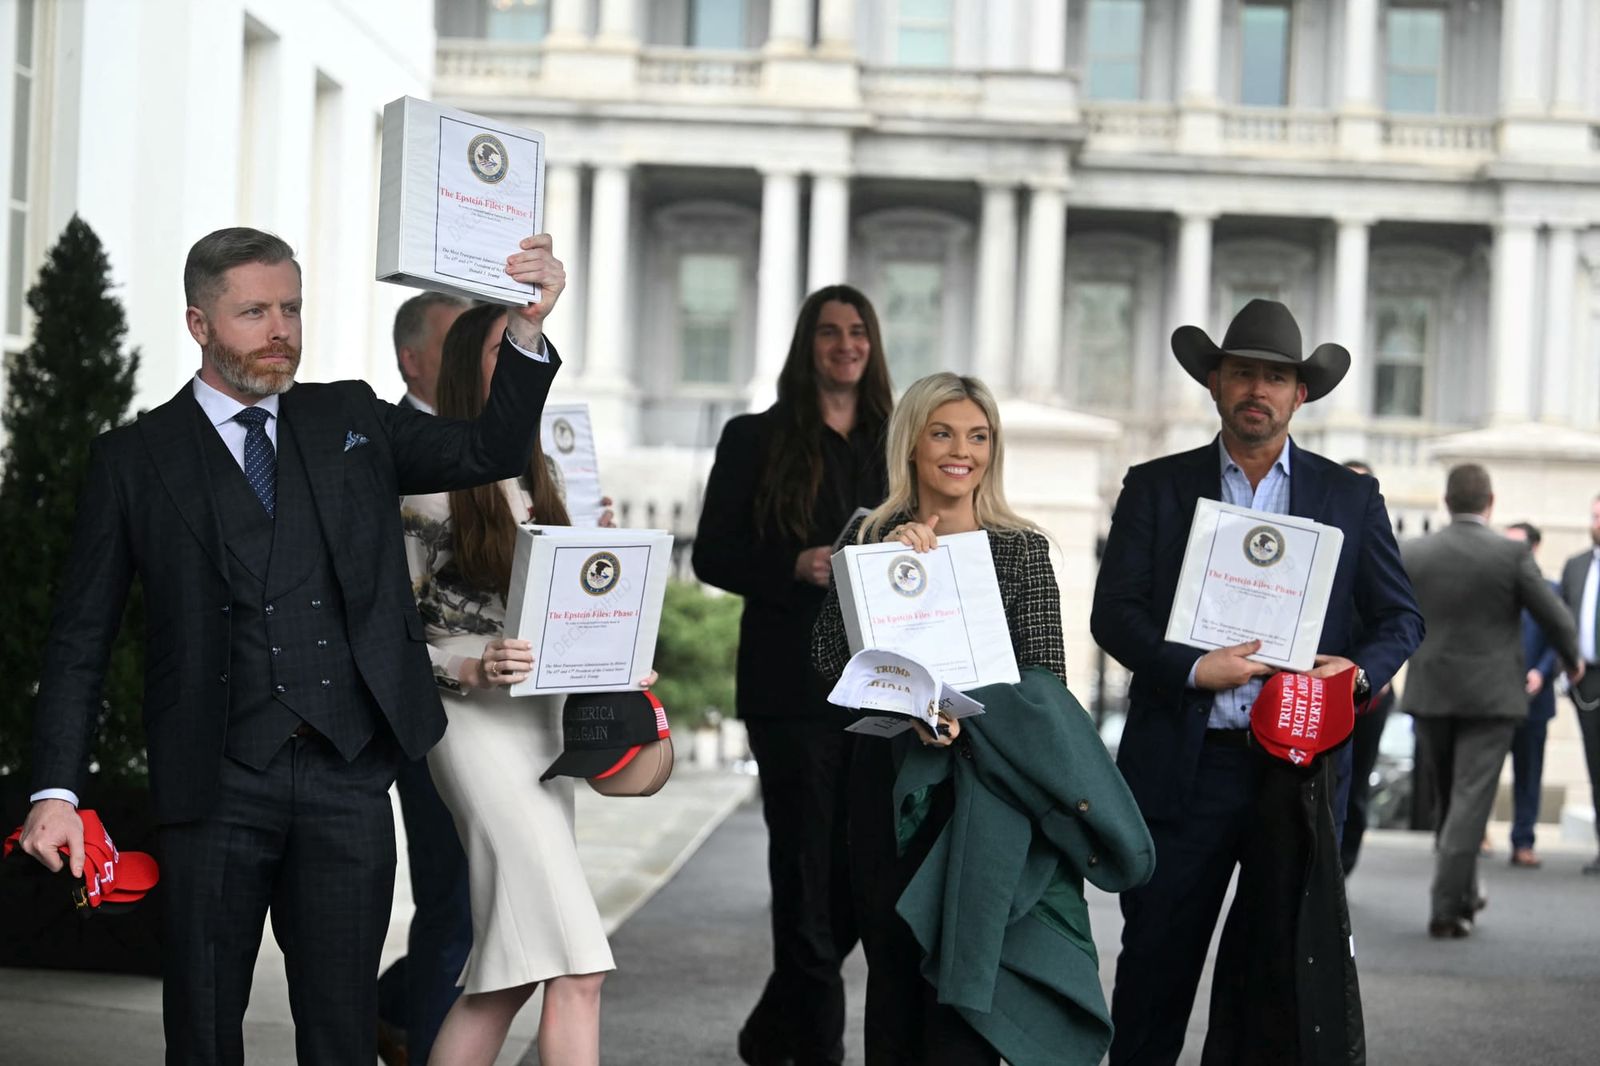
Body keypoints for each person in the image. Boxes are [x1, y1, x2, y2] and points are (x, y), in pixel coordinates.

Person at [17, 227, 564, 1064]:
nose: (281, 330)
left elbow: (488, 448)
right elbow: (79, 642)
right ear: (199, 323)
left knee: (342, 1034)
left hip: (348, 774)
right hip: (214, 781)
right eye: (255, 312)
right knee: (203, 1032)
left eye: (292, 309)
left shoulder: (350, 417)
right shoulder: (134, 459)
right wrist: (55, 791)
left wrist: (526, 328)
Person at [1093, 299, 1425, 1064]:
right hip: (1185, 768)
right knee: (1153, 970)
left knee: (1273, 984)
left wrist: (1357, 673)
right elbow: (1114, 615)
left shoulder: (1349, 497)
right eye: (1242, 373)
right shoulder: (1156, 486)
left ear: (1299, 395)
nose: (1257, 390)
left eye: (1275, 378)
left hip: (1295, 774)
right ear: (1215, 383)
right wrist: (1192, 667)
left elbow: (1400, 618)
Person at [814, 372, 1152, 1066]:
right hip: (891, 789)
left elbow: (1045, 684)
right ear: (912, 443)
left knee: (969, 1003)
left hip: (989, 793)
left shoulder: (1020, 547)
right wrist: (885, 568)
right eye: (942, 433)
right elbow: (825, 659)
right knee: (895, 985)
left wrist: (966, 714)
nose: (960, 451)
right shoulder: (868, 534)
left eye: (977, 436)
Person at [400, 302, 632, 1066]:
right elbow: (387, 638)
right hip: (469, 722)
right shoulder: (420, 483)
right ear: (470, 370)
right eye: (508, 349)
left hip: (540, 720)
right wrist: (466, 666)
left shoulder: (542, 472)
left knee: (510, 974)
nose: (526, 362)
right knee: (577, 968)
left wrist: (615, 642)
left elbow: (562, 611)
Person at [693, 285, 893, 1066]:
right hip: (791, 689)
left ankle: (775, 1027)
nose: (846, 345)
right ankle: (815, 1049)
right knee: (806, 871)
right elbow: (712, 554)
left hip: (879, 683)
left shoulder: (895, 440)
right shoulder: (755, 438)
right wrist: (795, 564)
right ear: (807, 345)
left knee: (857, 878)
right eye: (829, 332)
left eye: (858, 331)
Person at [1400, 465, 1580, 938]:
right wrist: (1572, 659)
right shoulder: (1511, 554)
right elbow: (1555, 616)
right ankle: (1446, 907)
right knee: (1469, 800)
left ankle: (1464, 892)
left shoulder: (1414, 551)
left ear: (1446, 502)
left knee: (1449, 798)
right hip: (1490, 697)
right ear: (1490, 502)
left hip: (1431, 691)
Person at [377, 289, 473, 1066]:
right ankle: (422, 1036)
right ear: (412, 361)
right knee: (454, 894)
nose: (476, 361)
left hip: (497, 703)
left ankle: (394, 1009)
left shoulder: (490, 440)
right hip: (426, 701)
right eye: (456, 345)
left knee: (475, 896)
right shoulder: (384, 446)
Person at [1339, 460, 1400, 876]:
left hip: (1368, 691)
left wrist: (1375, 674)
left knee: (1356, 782)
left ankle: (1342, 869)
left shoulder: (1383, 548)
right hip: (1312, 686)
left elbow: (1397, 620)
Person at [1505, 521, 1562, 869]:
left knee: (1528, 773)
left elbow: (1560, 638)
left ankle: (1523, 841)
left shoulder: (1550, 591)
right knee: (1482, 771)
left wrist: (1541, 671)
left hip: (1534, 699)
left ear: (1535, 547)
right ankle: (1473, 836)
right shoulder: (1495, 587)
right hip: (1494, 697)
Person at [1557, 493, 1600, 876]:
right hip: (1588, 679)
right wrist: (1566, 665)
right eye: (1595, 517)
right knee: (1596, 763)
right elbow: (1561, 619)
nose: (1597, 524)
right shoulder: (1576, 566)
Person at [395, 290, 470, 413]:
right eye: (456, 347)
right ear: (411, 361)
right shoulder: (390, 425)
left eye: (473, 346)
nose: (470, 359)